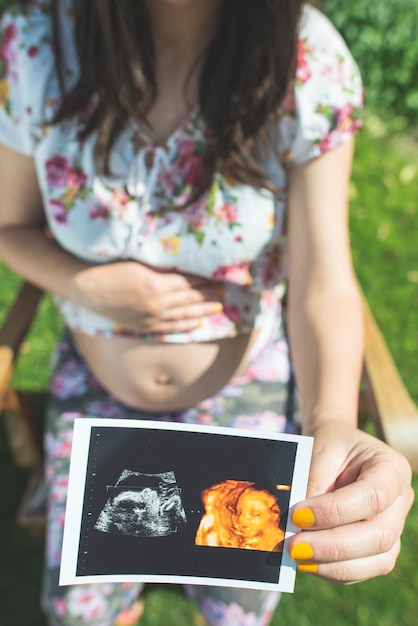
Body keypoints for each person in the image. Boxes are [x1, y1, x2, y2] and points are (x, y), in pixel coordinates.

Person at [0, 0, 414, 624]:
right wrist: (86, 283)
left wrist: (331, 419)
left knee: (238, 611)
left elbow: (322, 276)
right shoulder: (35, 44)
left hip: (245, 396)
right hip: (99, 402)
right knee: (78, 612)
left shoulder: (308, 60)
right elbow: (9, 226)